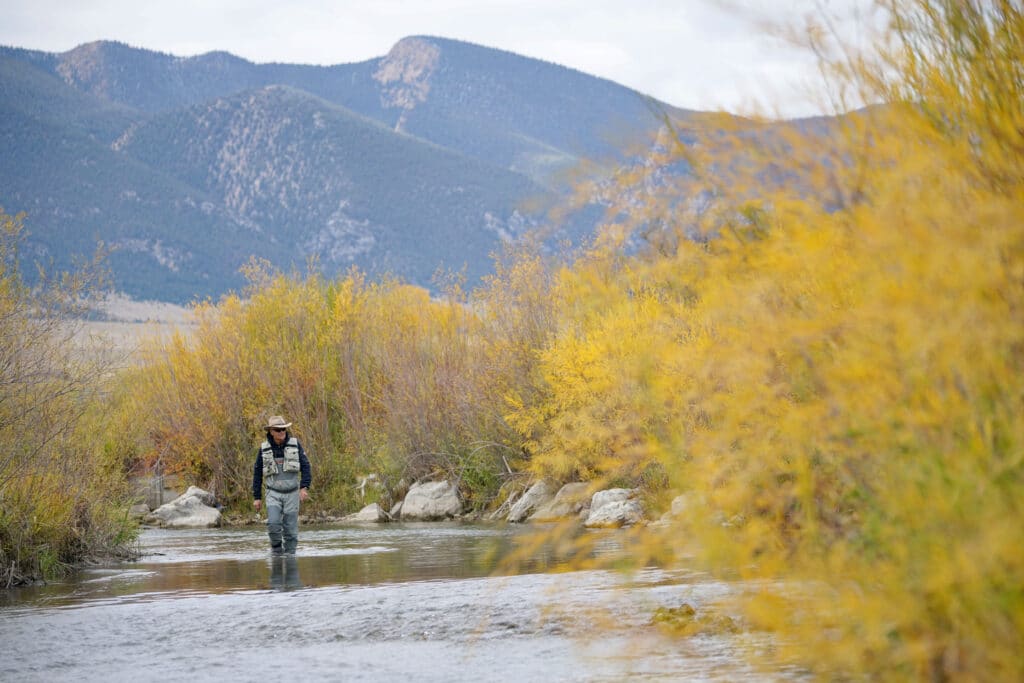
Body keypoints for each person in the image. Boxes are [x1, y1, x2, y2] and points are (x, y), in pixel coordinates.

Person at [252, 415, 311, 555]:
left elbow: (306, 466)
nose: (282, 432)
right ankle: (277, 552)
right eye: (278, 430)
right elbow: (257, 473)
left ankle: (290, 556)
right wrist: (257, 497)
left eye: (283, 429)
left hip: (292, 493)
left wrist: (304, 487)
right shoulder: (263, 449)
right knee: (273, 524)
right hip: (273, 493)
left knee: (291, 529)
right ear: (271, 432)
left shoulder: (295, 445)